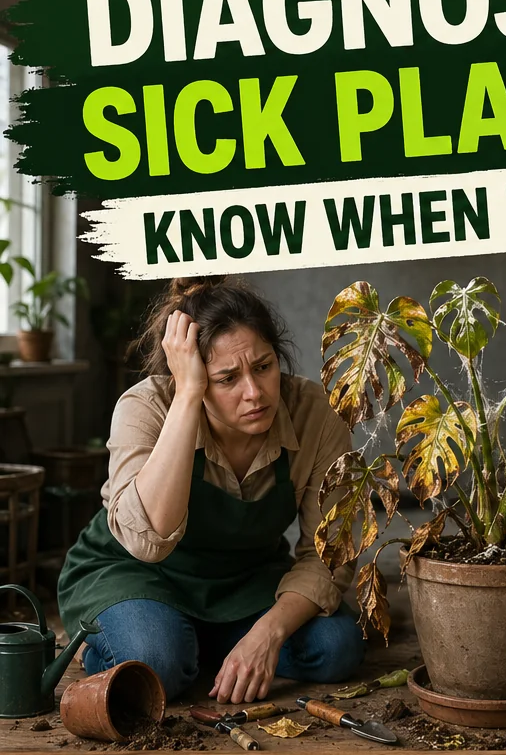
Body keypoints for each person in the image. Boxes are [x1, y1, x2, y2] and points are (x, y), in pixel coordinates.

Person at [57, 277, 365, 703]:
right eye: (226, 379)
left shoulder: (315, 416)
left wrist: (266, 635)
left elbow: (327, 555)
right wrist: (187, 397)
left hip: (243, 581)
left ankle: (206, 648)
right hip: (138, 575)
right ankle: (128, 641)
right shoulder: (145, 407)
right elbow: (149, 543)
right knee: (157, 662)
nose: (254, 393)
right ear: (196, 377)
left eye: (263, 366)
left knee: (337, 647)